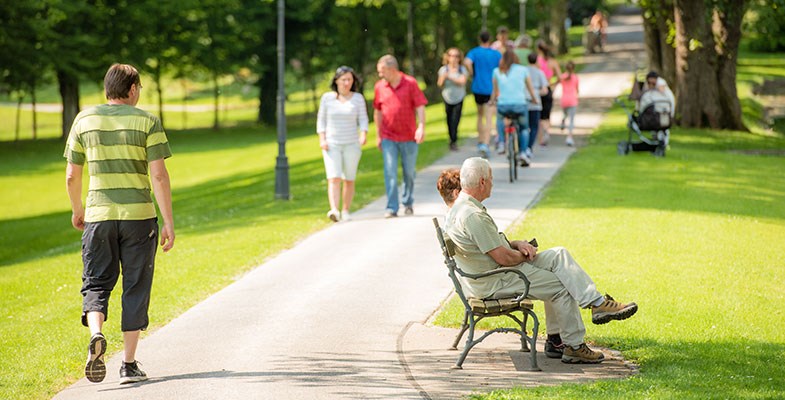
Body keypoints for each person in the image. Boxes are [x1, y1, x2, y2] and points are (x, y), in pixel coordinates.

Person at [444, 157, 638, 364]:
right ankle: (573, 346)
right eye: (491, 178)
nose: (493, 182)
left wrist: (518, 244)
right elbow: (503, 258)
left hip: (492, 273)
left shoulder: (462, 207)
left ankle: (594, 306)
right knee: (563, 286)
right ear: (482, 182)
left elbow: (492, 246)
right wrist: (524, 255)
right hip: (495, 279)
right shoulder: (472, 215)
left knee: (558, 254)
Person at [64, 63, 175, 384]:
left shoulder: (85, 119)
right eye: (138, 86)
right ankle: (128, 364)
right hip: (139, 217)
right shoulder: (147, 121)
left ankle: (96, 333)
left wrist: (77, 209)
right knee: (135, 285)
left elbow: (72, 174)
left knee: (96, 281)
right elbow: (158, 175)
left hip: (98, 216)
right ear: (131, 89)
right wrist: (168, 221)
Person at [374, 54, 428, 218]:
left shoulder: (410, 83)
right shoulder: (379, 87)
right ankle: (391, 207)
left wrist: (421, 127)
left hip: (409, 136)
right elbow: (377, 111)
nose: (380, 75)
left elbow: (420, 106)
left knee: (409, 173)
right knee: (390, 171)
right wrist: (378, 135)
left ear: (392, 69)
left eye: (382, 71)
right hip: (388, 136)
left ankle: (408, 202)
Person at [317, 66, 369, 222]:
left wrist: (363, 134)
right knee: (334, 177)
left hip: (351, 144)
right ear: (336, 81)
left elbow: (363, 119)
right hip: (332, 144)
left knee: (349, 179)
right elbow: (321, 120)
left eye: (349, 80)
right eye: (343, 79)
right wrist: (322, 139)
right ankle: (334, 209)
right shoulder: (327, 98)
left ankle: (346, 210)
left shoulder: (358, 98)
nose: (346, 83)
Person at [491, 50, 538, 166]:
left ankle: (502, 143)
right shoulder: (523, 70)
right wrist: (534, 100)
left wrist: (492, 101)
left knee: (500, 119)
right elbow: (530, 89)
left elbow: (495, 92)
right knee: (524, 128)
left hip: (503, 105)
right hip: (520, 105)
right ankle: (523, 152)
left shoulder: (497, 71)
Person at [465, 31, 502, 158]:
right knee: (489, 116)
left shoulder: (474, 52)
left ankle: (480, 141)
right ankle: (486, 144)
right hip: (490, 89)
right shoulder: (496, 54)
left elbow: (467, 62)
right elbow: (502, 67)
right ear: (490, 39)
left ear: (479, 39)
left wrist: (471, 73)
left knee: (480, 115)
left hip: (477, 87)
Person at [437, 48, 469, 152]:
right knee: (449, 120)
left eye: (456, 56)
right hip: (447, 97)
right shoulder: (443, 70)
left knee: (456, 119)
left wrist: (449, 77)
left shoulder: (462, 69)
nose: (454, 58)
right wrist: (444, 76)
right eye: (451, 55)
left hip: (459, 97)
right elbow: (440, 84)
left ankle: (454, 140)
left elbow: (462, 81)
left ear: (459, 58)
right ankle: (451, 139)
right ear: (447, 57)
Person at [536, 40, 562, 146]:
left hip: (538, 89)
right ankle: (547, 130)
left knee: (539, 115)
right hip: (548, 88)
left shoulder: (537, 61)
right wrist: (553, 85)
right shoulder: (552, 62)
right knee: (547, 114)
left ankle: (540, 137)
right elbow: (560, 77)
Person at [525, 52, 549, 158]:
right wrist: (536, 93)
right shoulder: (540, 73)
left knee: (524, 127)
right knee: (534, 127)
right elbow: (545, 90)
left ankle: (523, 147)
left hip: (524, 100)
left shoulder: (523, 72)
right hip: (535, 103)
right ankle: (528, 147)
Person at [559, 61, 580, 146]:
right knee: (571, 119)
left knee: (565, 114)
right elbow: (577, 89)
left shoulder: (562, 77)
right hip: (572, 100)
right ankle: (569, 137)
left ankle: (563, 121)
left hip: (564, 99)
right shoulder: (575, 77)